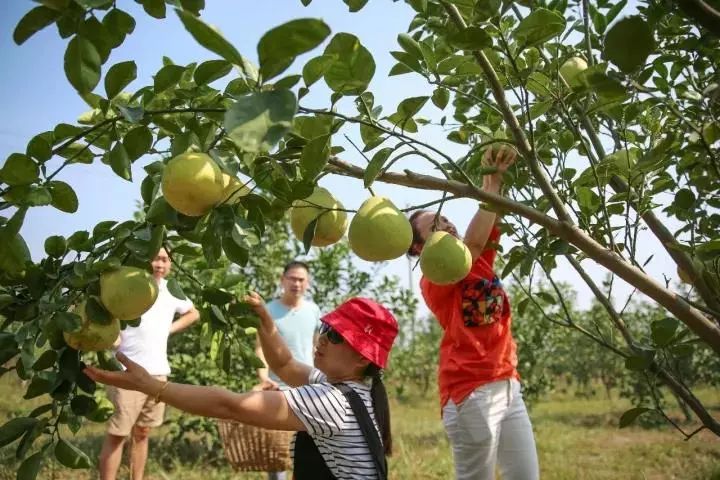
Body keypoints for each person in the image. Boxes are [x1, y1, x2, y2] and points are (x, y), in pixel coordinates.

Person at [85, 292, 398, 480]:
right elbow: (285, 365)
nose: (324, 339)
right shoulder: (360, 386)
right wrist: (265, 321)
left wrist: (149, 385)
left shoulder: (331, 400)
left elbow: (230, 406)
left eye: (337, 337)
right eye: (326, 328)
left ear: (361, 359)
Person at [407, 147, 540, 480]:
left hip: (507, 381)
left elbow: (491, 218)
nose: (447, 225)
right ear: (419, 249)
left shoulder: (477, 262)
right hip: (470, 391)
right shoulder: (434, 277)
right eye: (435, 226)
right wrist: (489, 185)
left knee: (525, 476)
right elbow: (476, 242)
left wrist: (493, 177)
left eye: (446, 218)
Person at [98, 247, 200, 480]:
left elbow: (193, 313)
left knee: (143, 432)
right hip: (126, 372)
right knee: (118, 433)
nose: (160, 264)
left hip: (157, 372)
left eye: (165, 259)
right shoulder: (130, 283)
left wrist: (168, 330)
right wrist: (111, 337)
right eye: (155, 258)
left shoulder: (171, 290)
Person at [254, 261, 321, 480]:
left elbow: (317, 348)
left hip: (308, 389)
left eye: (301, 279)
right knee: (277, 452)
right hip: (277, 388)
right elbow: (260, 349)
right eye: (292, 278)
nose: (296, 283)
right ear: (282, 280)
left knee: (306, 449)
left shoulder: (314, 311)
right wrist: (264, 378)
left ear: (307, 283)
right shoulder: (269, 311)